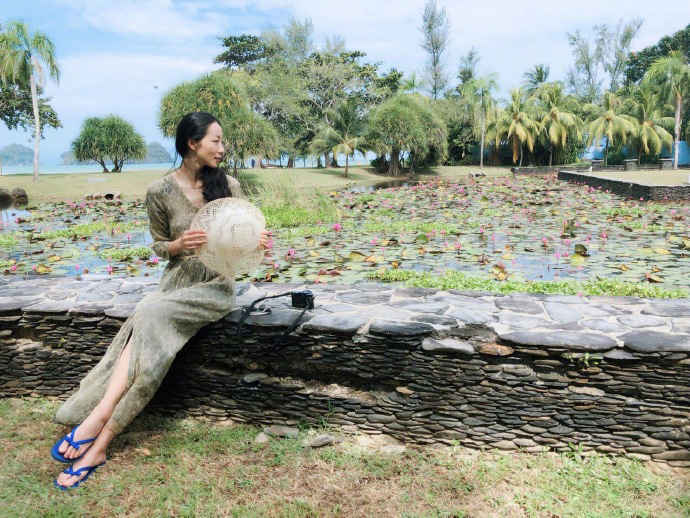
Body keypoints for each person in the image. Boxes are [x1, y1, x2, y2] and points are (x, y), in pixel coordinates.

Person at [51, 111, 271, 490]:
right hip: (175, 282)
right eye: (216, 141)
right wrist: (177, 245)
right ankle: (99, 446)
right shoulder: (160, 191)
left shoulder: (229, 185)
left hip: (214, 286)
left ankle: (100, 418)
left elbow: (245, 239)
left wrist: (260, 242)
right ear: (192, 143)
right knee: (146, 339)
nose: (223, 147)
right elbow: (157, 246)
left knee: (148, 313)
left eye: (222, 141)